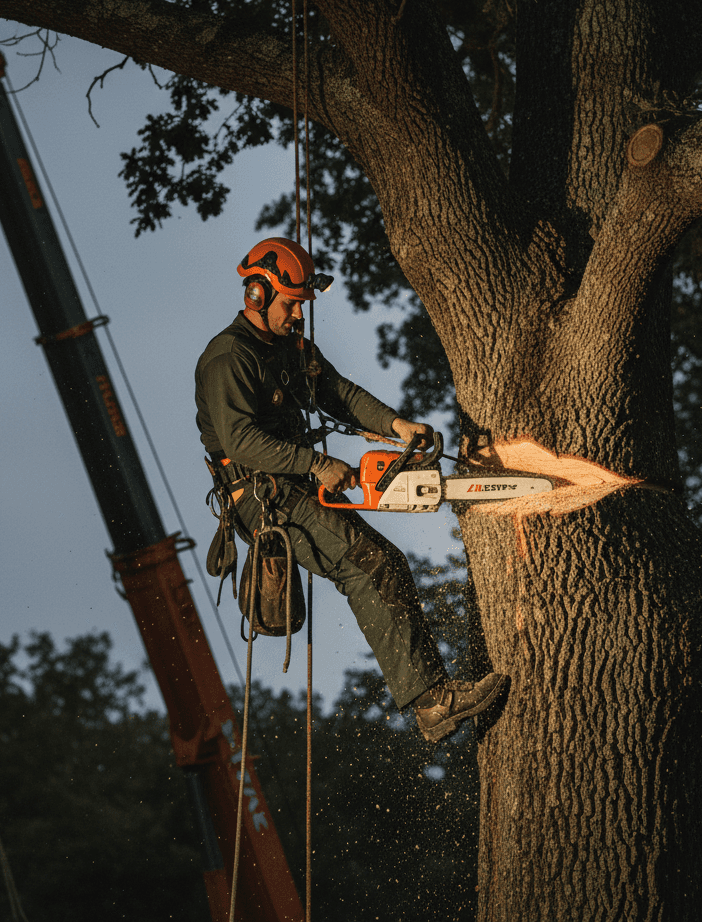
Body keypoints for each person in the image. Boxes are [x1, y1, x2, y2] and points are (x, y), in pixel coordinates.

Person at [195, 237, 505, 742]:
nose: (297, 315)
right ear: (256, 294)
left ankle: (432, 696)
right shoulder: (229, 357)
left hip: (294, 481)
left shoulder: (291, 348)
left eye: (301, 304)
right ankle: (431, 704)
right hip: (262, 495)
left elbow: (336, 392)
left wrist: (397, 425)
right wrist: (315, 463)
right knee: (372, 564)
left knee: (382, 560)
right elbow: (241, 441)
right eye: (290, 303)